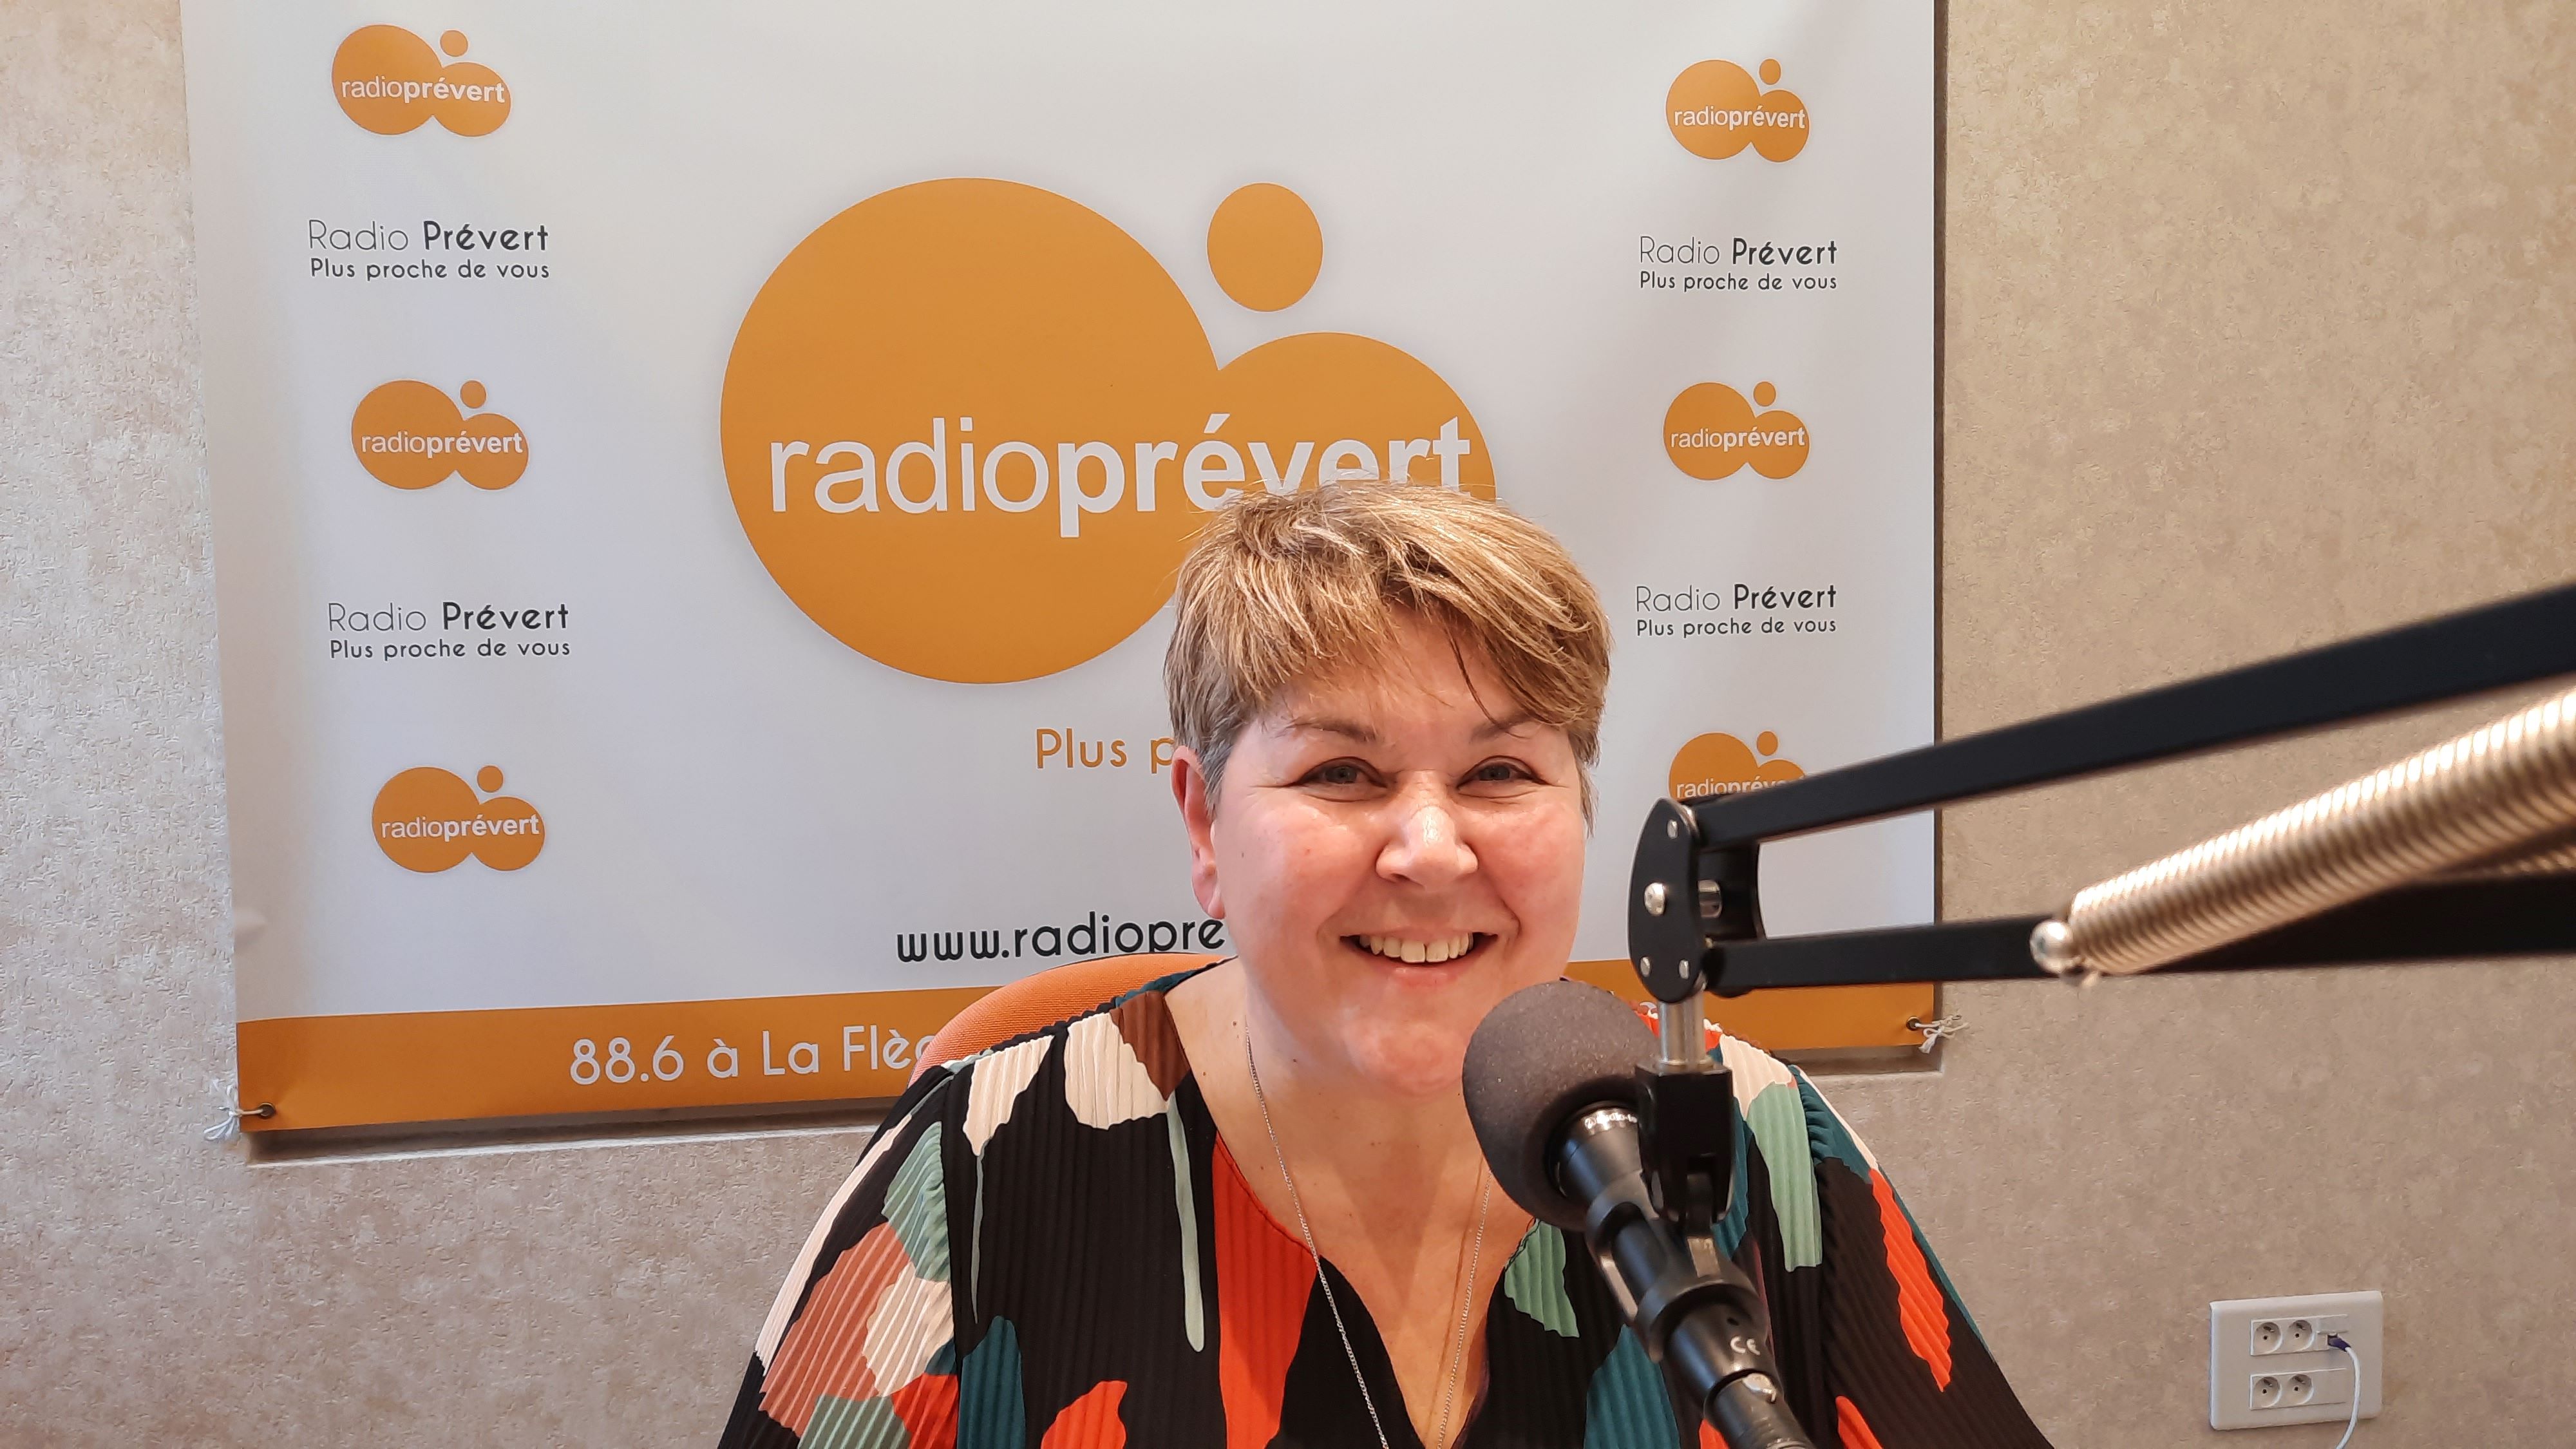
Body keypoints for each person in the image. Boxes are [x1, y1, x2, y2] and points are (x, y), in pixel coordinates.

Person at [719, 486, 2049, 1448]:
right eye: (1342, 772)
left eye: (1499, 771)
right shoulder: (984, 1164)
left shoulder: (1744, 1135)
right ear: (1203, 823)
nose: (1428, 848)